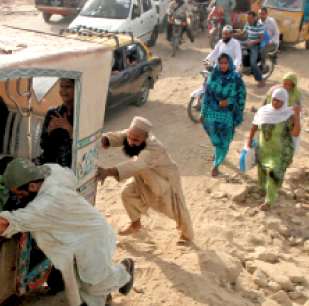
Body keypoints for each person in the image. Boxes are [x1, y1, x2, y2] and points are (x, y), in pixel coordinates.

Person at [0, 159, 134, 306]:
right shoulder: (52, 171)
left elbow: (2, 224)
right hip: (76, 235)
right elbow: (70, 176)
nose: (17, 198)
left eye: (19, 194)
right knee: (83, 278)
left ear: (32, 186)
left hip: (93, 238)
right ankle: (105, 294)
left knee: (93, 284)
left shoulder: (43, 206)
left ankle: (125, 269)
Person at [96, 117, 194, 246]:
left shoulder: (154, 147)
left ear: (146, 137)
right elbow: (119, 137)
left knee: (176, 207)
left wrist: (108, 171)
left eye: (135, 140)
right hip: (144, 174)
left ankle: (187, 235)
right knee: (127, 193)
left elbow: (136, 164)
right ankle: (135, 224)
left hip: (164, 177)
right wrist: (101, 140)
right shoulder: (132, 135)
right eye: (129, 138)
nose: (130, 142)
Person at [246, 88, 301, 211]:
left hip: (278, 151)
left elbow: (295, 133)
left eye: (279, 101)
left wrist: (297, 115)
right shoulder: (264, 111)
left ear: (285, 101)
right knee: (262, 169)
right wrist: (250, 140)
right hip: (263, 148)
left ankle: (269, 201)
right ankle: (262, 188)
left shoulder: (288, 116)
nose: (275, 103)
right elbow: (255, 125)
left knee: (272, 172)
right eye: (274, 99)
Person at [199, 54, 247, 177]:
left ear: (230, 64)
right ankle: (218, 154)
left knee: (224, 140)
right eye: (221, 63)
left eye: (226, 63)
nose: (223, 65)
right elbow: (207, 96)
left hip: (227, 114)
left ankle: (216, 165)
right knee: (216, 137)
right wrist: (203, 113)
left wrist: (229, 101)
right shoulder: (213, 76)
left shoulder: (236, 79)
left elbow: (241, 97)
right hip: (212, 113)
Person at [35, 78, 75, 168]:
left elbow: (82, 148)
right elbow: (43, 145)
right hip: (47, 162)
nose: (63, 90)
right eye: (61, 86)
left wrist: (70, 130)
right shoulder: (52, 112)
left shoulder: (81, 115)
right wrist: (49, 130)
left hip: (66, 168)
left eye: (68, 86)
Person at [263, 72, 302, 155]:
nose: (287, 86)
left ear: (293, 85)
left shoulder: (297, 94)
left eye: (290, 85)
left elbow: (298, 107)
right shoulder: (274, 90)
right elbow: (266, 102)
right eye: (285, 83)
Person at [242, 10, 265, 86]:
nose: (248, 20)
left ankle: (261, 80)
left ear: (254, 18)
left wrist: (252, 42)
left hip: (255, 45)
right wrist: (232, 35)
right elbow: (242, 33)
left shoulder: (259, 25)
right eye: (247, 18)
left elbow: (262, 38)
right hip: (247, 42)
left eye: (249, 18)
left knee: (253, 63)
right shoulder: (247, 24)